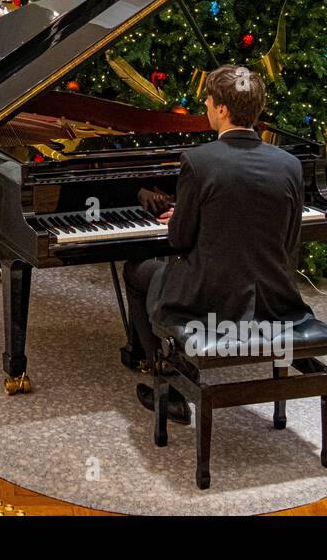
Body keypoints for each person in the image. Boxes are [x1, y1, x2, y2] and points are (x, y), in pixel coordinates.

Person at [122, 66, 315, 423]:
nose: (206, 107)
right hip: (274, 298)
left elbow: (179, 240)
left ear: (223, 109)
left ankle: (166, 382)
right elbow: (289, 242)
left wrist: (190, 214)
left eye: (209, 101)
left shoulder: (199, 160)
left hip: (209, 298)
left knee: (135, 269)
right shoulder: (289, 164)